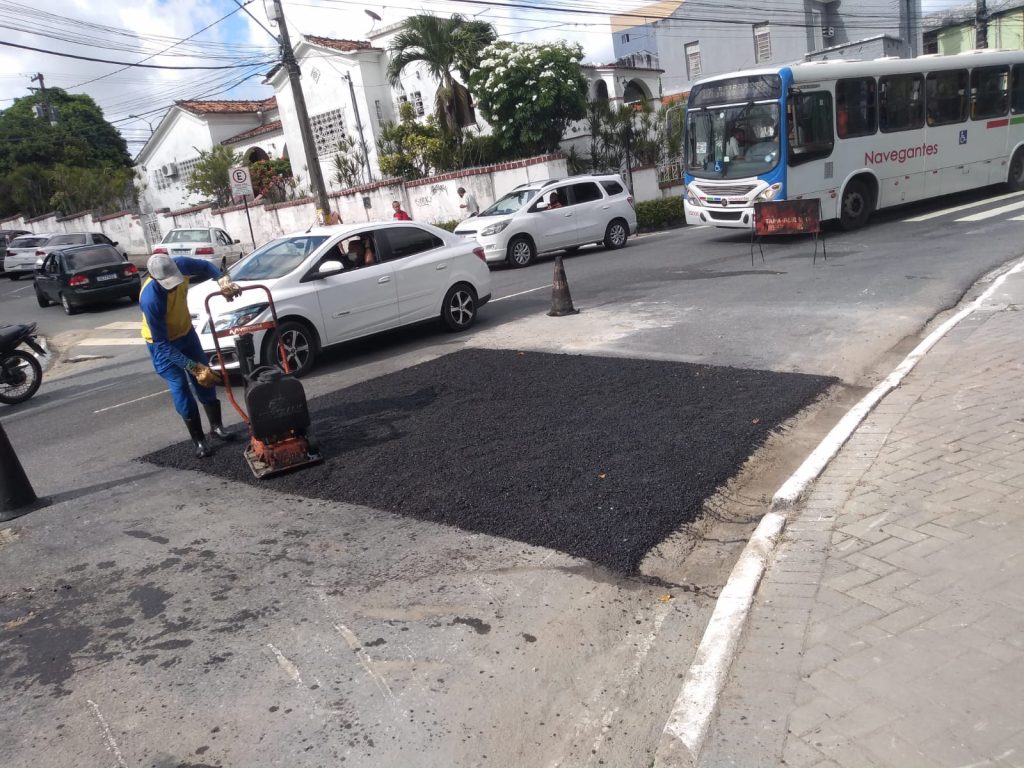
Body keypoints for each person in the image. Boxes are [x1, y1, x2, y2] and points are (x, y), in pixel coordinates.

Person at [140, 254, 243, 459]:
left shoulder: (180, 264)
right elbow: (162, 344)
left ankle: (217, 427)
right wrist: (192, 367)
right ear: (156, 279)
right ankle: (199, 440)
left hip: (186, 334)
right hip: (162, 345)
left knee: (207, 379)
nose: (173, 286)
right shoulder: (151, 299)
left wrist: (222, 281)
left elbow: (206, 266)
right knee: (180, 386)